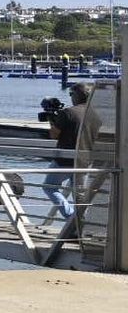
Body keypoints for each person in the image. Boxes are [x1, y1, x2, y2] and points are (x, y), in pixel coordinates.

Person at [43, 83, 101, 225]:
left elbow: (54, 135)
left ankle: (70, 218)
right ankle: (80, 225)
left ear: (76, 95)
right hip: (85, 160)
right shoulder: (96, 114)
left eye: (71, 94)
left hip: (64, 161)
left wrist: (52, 120)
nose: (70, 97)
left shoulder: (68, 112)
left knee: (49, 186)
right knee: (79, 196)